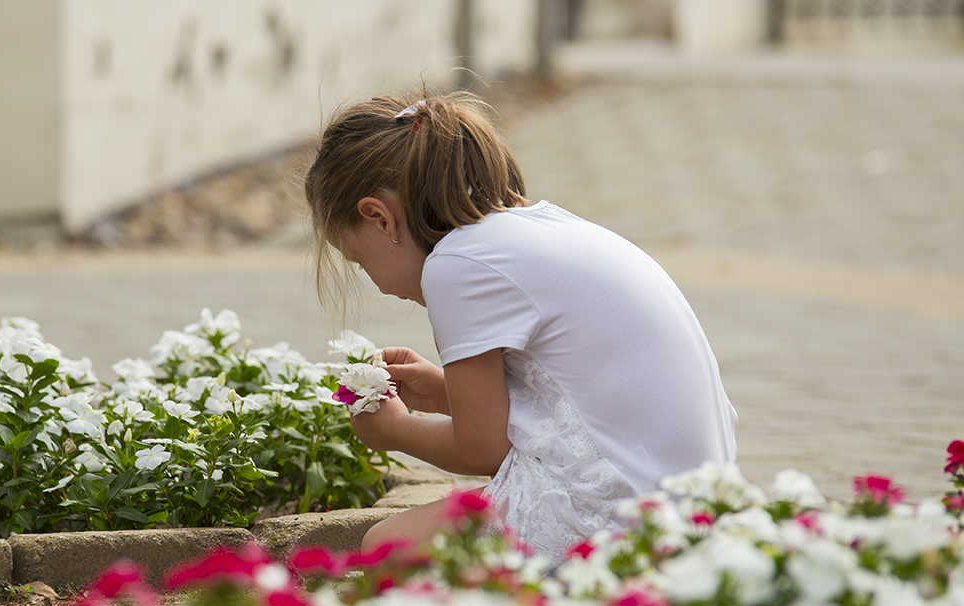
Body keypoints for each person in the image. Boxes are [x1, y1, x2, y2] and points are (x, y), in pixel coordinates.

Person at [304, 90, 737, 566]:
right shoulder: (535, 227)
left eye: (359, 261)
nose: (378, 285)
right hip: (693, 502)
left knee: (390, 550)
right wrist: (445, 394)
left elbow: (482, 448)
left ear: (379, 217)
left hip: (628, 518)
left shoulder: (456, 265)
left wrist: (395, 430)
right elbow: (576, 406)